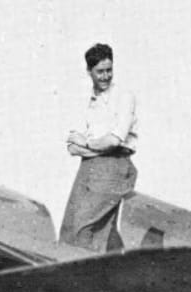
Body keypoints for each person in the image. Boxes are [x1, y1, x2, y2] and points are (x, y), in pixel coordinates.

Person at [60, 43, 138, 252]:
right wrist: (94, 147)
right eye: (100, 71)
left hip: (114, 167)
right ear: (89, 71)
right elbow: (72, 146)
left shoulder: (124, 96)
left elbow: (114, 141)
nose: (105, 76)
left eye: (109, 70)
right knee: (70, 229)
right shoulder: (86, 100)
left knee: (83, 229)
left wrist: (86, 143)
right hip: (88, 168)